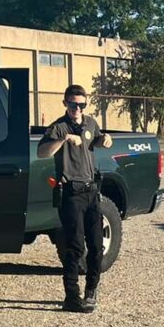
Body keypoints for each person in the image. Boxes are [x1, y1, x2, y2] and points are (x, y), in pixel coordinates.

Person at [37, 84, 113, 312]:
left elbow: (96, 140)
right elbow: (43, 152)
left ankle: (91, 290)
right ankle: (72, 297)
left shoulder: (90, 123)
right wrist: (64, 140)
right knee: (74, 247)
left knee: (97, 246)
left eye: (81, 105)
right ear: (65, 104)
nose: (77, 109)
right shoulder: (58, 128)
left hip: (91, 191)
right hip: (70, 192)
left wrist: (104, 140)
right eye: (73, 105)